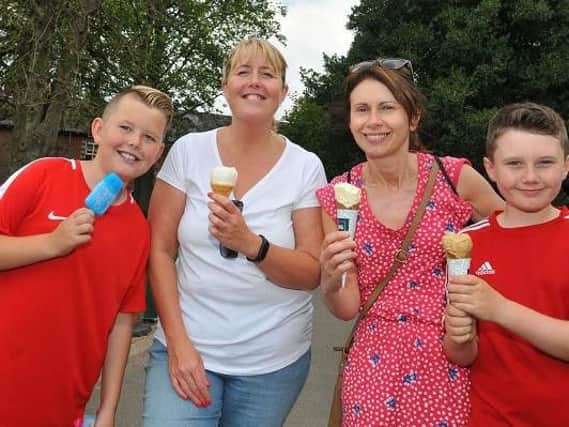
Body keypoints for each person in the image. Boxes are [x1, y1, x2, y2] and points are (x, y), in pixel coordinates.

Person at [142, 38, 327, 427]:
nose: (254, 82)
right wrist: (177, 344)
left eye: (267, 74)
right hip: (189, 346)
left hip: (273, 362)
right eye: (243, 72)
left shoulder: (305, 166)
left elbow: (311, 272)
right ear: (225, 86)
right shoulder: (189, 152)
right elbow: (159, 250)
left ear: (283, 92)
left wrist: (250, 243)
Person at [317, 58, 504, 426]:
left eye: (387, 107)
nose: (373, 121)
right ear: (351, 120)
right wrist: (329, 278)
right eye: (362, 110)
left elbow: (509, 237)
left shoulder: (454, 178)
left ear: (413, 117)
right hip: (373, 368)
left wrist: (480, 301)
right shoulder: (339, 195)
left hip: (450, 359)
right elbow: (346, 305)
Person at [0, 85, 174, 426]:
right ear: (98, 129)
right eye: (125, 128)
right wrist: (52, 243)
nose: (135, 142)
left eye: (149, 137)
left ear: (158, 153)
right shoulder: (44, 174)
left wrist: (108, 409)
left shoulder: (139, 231)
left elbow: (122, 325)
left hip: (62, 402)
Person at [444, 102, 569, 426]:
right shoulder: (467, 244)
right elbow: (462, 354)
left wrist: (500, 310)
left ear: (566, 166)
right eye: (514, 164)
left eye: (545, 163)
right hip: (491, 418)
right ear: (491, 168)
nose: (530, 177)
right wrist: (459, 338)